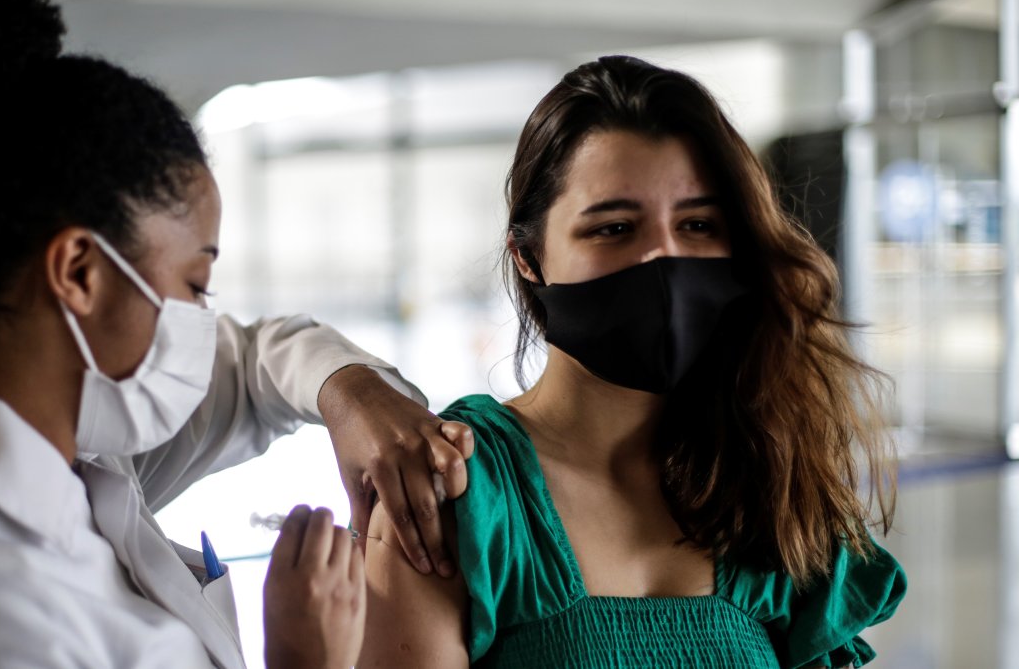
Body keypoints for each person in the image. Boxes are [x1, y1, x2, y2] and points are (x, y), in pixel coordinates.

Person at [0, 0, 473, 667]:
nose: (202, 317)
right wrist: (304, 657)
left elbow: (254, 365)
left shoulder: (72, 446)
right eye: (193, 286)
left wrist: (351, 392)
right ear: (78, 272)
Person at [358, 56, 907, 669]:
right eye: (614, 228)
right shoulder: (458, 494)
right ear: (528, 257)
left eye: (698, 224)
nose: (662, 261)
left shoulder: (772, 482)